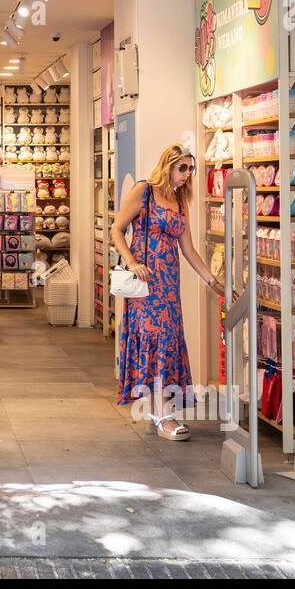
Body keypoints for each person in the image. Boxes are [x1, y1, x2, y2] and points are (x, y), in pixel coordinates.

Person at [110, 143, 225, 440]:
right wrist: (132, 260)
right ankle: (164, 415)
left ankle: (158, 409)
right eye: (182, 168)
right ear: (168, 166)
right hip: (146, 285)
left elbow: (189, 250)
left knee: (169, 340)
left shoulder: (179, 202)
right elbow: (117, 229)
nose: (187, 174)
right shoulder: (143, 191)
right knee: (155, 338)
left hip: (169, 286)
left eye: (190, 168)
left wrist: (212, 281)